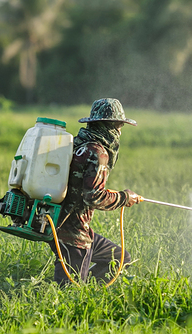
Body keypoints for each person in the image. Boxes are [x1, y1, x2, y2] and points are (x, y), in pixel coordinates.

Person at [52, 98, 143, 285]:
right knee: (69, 291)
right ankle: (78, 292)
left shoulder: (77, 144)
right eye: (119, 125)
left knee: (120, 258)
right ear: (110, 126)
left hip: (58, 222)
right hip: (73, 232)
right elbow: (93, 197)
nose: (119, 131)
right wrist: (124, 197)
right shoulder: (98, 152)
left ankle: (90, 289)